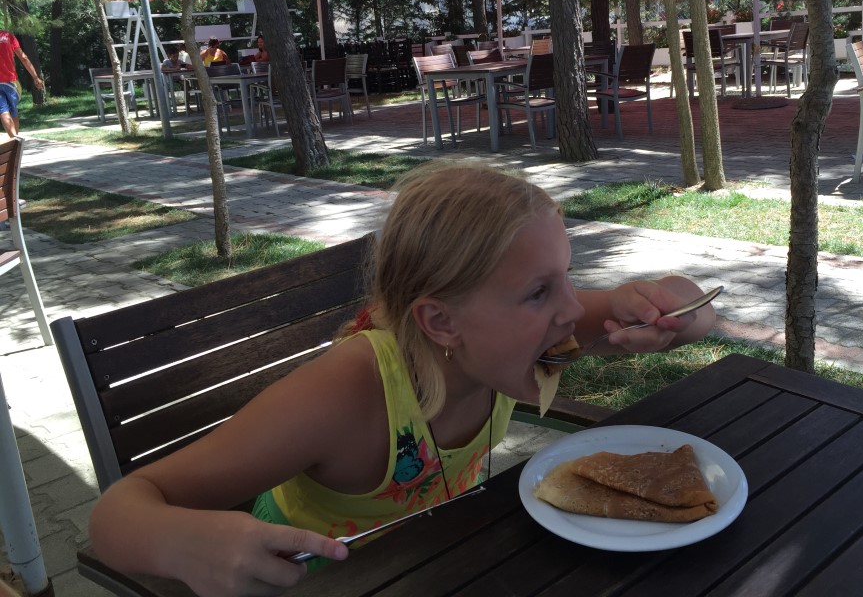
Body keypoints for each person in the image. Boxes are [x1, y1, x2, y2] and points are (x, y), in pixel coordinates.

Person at [88, 162, 717, 597]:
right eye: (539, 291)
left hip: (436, 559)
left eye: (567, 277)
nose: (574, 309)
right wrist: (181, 544)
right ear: (440, 321)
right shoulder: (345, 393)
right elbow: (116, 517)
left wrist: (670, 307)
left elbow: (697, 311)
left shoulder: (523, 338)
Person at [0, 27, 44, 139]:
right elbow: (23, 58)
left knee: (3, 111)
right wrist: (35, 77)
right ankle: (15, 140)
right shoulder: (8, 36)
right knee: (13, 111)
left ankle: (14, 140)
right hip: (11, 81)